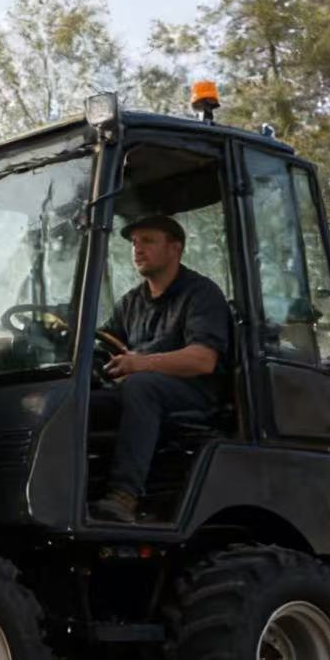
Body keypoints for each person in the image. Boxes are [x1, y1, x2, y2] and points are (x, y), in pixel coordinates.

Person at [90, 215, 231, 523]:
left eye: (148, 241)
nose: (138, 249)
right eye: (134, 243)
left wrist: (139, 363)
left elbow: (203, 359)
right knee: (78, 398)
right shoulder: (131, 302)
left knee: (141, 386)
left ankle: (124, 495)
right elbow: (104, 344)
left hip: (195, 393)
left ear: (175, 249)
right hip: (140, 390)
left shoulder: (201, 293)